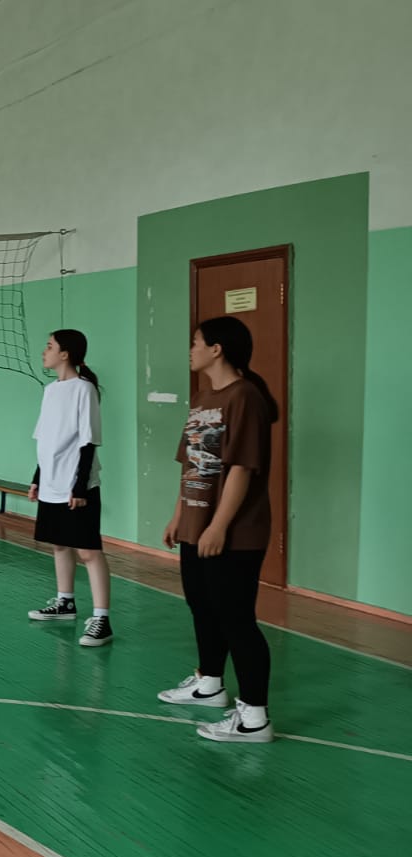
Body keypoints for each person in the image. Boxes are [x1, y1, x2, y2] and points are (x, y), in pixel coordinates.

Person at [158, 316, 278, 744]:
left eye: (196, 342)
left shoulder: (244, 396)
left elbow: (242, 468)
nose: (190, 349)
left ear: (217, 349)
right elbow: (191, 463)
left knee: (236, 619)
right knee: (203, 608)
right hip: (196, 526)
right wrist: (179, 516)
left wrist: (219, 526)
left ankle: (254, 718)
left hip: (234, 533)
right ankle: (209, 683)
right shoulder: (202, 397)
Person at [25, 329, 113, 646]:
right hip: (51, 482)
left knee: (88, 551)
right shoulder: (50, 390)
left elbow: (88, 440)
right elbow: (46, 440)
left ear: (65, 354)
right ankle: (65, 603)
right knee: (60, 545)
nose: (44, 351)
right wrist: (37, 478)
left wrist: (79, 488)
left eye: (49, 346)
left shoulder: (84, 389)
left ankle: (102, 619)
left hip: (77, 484)